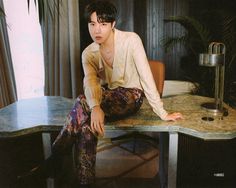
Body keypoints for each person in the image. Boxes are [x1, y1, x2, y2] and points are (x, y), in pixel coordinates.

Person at [18, 0, 183, 187]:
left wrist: (162, 112)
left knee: (82, 100)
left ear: (113, 24)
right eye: (93, 24)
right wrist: (95, 106)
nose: (97, 30)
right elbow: (90, 81)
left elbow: (146, 77)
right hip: (109, 97)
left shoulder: (131, 40)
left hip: (132, 96)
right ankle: (85, 183)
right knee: (86, 126)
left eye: (103, 24)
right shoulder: (89, 53)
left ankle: (55, 159)